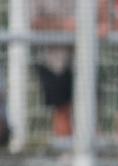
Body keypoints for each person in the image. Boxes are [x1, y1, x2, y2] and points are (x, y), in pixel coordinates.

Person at [30, 0, 109, 137]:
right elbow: (34, 22)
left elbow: (104, 23)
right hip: (53, 59)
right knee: (62, 110)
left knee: (89, 110)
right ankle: (67, 154)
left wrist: (100, 23)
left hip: (86, 60)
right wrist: (65, 25)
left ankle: (89, 150)